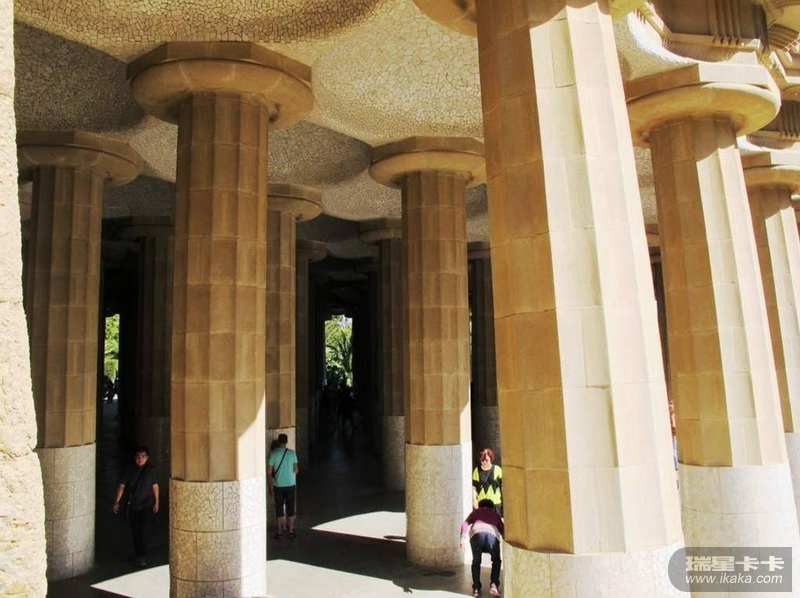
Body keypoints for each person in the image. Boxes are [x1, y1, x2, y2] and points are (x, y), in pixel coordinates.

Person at [112, 446, 159, 567]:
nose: (140, 459)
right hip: (133, 505)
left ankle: (142, 555)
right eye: (138, 456)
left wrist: (157, 501)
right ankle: (139, 553)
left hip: (146, 504)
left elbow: (155, 485)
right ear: (134, 458)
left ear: (147, 458)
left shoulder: (150, 470)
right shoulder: (129, 469)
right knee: (136, 531)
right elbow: (122, 486)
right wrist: (117, 501)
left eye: (143, 456)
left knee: (143, 530)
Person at [460, 498, 504, 597]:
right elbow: (502, 528)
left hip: (476, 534)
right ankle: (494, 585)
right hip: (492, 536)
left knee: (476, 562)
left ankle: (476, 589)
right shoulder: (495, 514)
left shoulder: (476, 512)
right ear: (492, 507)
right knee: (496, 561)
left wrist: (462, 539)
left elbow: (465, 524)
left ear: (480, 506)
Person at [268, 433, 299, 539]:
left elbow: (269, 472)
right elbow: (296, 470)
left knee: (279, 508)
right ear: (286, 442)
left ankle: (280, 532)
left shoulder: (273, 454)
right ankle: (291, 531)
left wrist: (270, 487)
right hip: (290, 484)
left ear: (278, 442)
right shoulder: (292, 453)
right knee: (291, 507)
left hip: (278, 486)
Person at [472, 447, 502, 515]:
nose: (484, 462)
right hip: (482, 504)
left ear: (491, 459)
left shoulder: (497, 469)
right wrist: (474, 500)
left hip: (495, 503)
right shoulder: (477, 471)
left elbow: (503, 485)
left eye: (486, 460)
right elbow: (474, 487)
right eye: (482, 460)